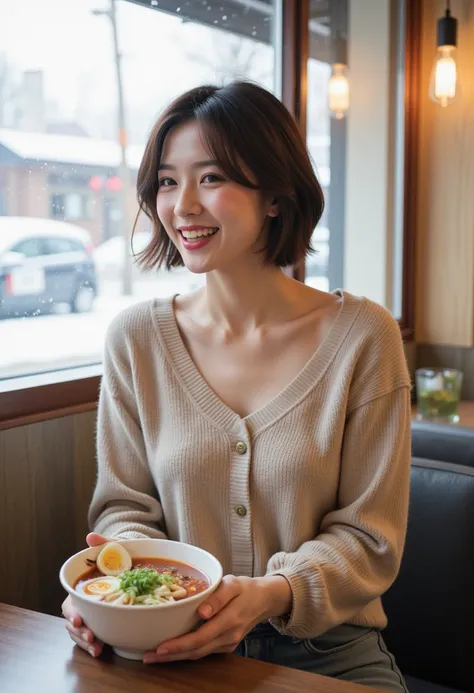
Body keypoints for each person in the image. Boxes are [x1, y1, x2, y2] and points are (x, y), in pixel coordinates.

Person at [62, 81, 411, 692]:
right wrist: (113, 591)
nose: (183, 206)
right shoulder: (135, 339)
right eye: (168, 182)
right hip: (165, 644)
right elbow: (125, 511)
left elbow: (369, 537)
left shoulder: (365, 337)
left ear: (276, 195)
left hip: (326, 651)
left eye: (212, 177)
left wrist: (272, 594)